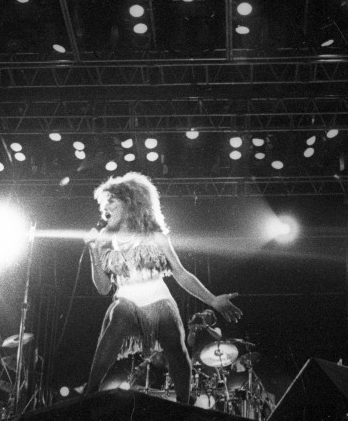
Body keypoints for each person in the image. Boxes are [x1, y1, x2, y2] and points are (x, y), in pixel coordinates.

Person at [85, 171, 242, 404]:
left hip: (157, 299)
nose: (104, 208)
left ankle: (183, 402)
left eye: (111, 201)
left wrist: (213, 300)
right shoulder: (105, 238)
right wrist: (93, 252)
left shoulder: (155, 236)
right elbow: (103, 288)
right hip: (127, 304)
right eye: (104, 202)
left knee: (175, 343)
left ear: (130, 203)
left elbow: (180, 273)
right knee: (121, 310)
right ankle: (90, 391)